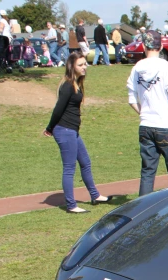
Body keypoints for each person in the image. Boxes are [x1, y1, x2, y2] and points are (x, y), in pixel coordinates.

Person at [43, 53, 111, 213]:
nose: (84, 67)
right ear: (72, 66)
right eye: (81, 65)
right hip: (64, 130)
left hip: (72, 131)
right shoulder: (67, 85)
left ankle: (95, 195)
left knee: (85, 162)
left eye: (85, 64)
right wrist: (50, 128)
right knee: (69, 168)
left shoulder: (76, 84)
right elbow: (58, 109)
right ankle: (71, 205)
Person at [126, 31, 168, 196]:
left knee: (147, 172)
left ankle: (142, 211)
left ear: (144, 46)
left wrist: (143, 113)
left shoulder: (137, 68)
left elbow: (132, 98)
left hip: (146, 125)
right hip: (165, 125)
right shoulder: (166, 66)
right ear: (160, 46)